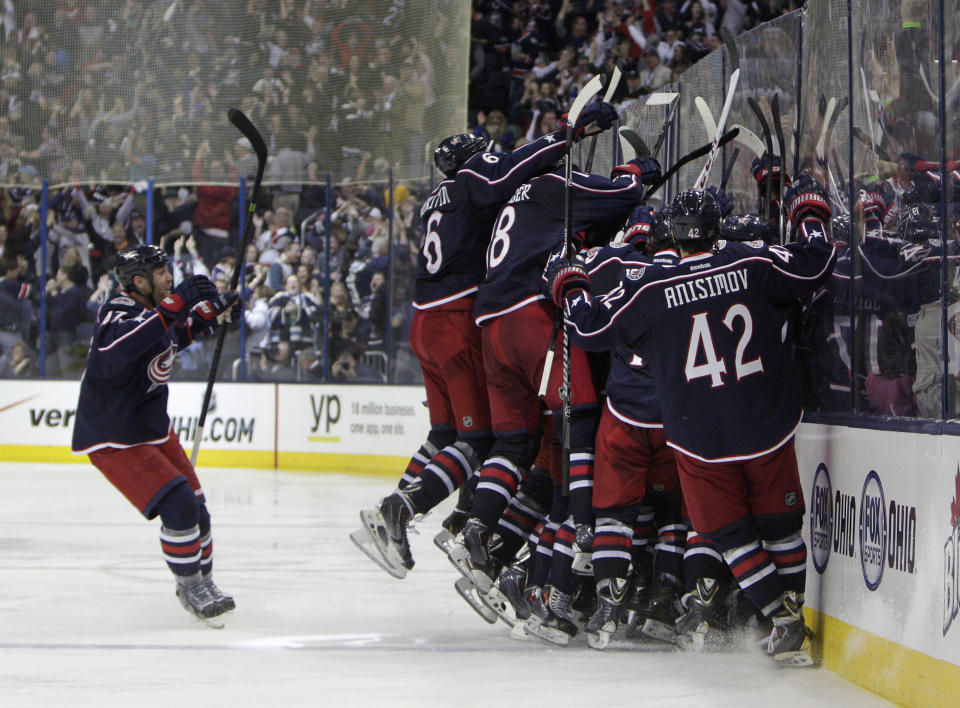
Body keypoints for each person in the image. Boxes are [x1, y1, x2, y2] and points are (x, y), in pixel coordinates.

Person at [549, 178, 838, 665]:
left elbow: (589, 328)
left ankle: (783, 620)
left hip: (700, 434)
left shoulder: (652, 288)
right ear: (715, 229)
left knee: (729, 534)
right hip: (766, 424)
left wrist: (570, 282)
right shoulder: (751, 261)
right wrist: (808, 212)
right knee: (783, 529)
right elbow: (817, 266)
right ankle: (791, 617)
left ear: (674, 236)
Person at [352, 102, 618, 580]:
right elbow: (504, 175)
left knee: (445, 434)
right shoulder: (472, 180)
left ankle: (404, 509)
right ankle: (414, 509)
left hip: (425, 321)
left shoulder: (437, 199)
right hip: (458, 320)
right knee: (482, 439)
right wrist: (568, 135)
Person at [450, 148, 657, 647]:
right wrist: (635, 176)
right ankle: (581, 531)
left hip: (491, 325)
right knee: (579, 422)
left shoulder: (515, 201)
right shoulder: (550, 187)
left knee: (522, 442)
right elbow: (618, 196)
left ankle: (482, 531)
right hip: (531, 317)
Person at [71, 245, 239, 625]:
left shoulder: (153, 314)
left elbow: (170, 339)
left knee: (199, 512)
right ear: (138, 281)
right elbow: (121, 349)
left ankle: (205, 584)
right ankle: (189, 587)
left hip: (152, 428)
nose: (169, 277)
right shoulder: (117, 311)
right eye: (160, 272)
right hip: (114, 435)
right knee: (178, 505)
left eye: (168, 270)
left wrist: (209, 318)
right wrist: (176, 306)